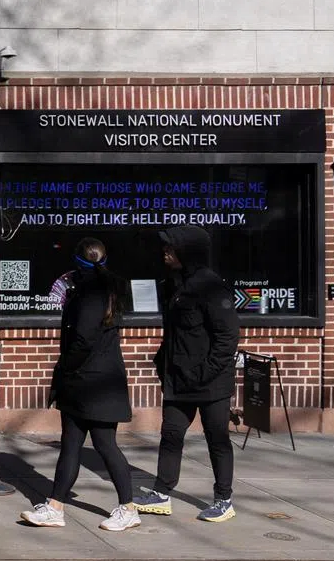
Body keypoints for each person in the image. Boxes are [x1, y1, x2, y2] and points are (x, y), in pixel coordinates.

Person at [21, 238, 140, 532]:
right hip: (91, 381)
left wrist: (64, 369)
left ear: (78, 260)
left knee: (104, 444)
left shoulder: (91, 292)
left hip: (92, 383)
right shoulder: (107, 288)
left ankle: (128, 508)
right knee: (71, 444)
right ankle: (55, 506)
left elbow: (83, 340)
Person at [133, 225, 240, 523]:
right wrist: (162, 362)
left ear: (187, 251)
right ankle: (161, 493)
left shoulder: (211, 287)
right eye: (165, 247)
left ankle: (223, 499)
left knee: (216, 439)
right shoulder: (173, 284)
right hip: (179, 380)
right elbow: (173, 333)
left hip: (211, 383)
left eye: (171, 247)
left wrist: (205, 372)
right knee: (170, 435)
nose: (165, 252)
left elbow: (227, 337)